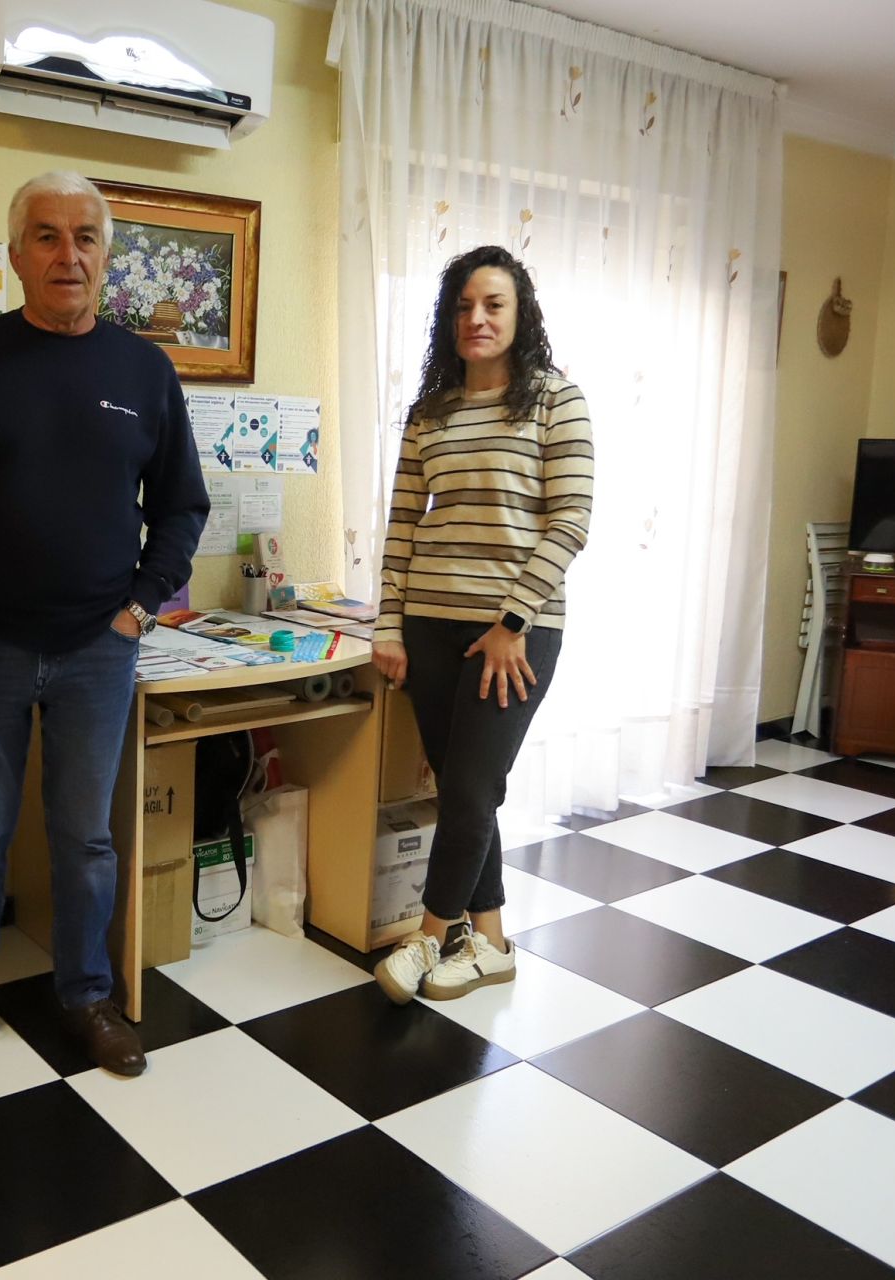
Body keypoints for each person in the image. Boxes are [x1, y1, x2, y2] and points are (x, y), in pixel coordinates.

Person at [0, 171, 209, 1095]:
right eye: (45, 236)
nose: (66, 254)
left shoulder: (144, 371)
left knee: (85, 840)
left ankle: (86, 995)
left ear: (107, 257)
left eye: (84, 237)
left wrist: (138, 608)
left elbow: (182, 506)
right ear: (14, 256)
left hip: (96, 650)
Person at [371, 245, 593, 1005]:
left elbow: (570, 521)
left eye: (493, 304)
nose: (477, 318)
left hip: (514, 635)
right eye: (464, 306)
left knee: (470, 785)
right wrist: (389, 625)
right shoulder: (430, 412)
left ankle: (428, 936)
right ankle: (491, 943)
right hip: (429, 622)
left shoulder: (556, 401)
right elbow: (403, 524)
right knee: (466, 791)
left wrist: (511, 620)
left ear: (520, 313)